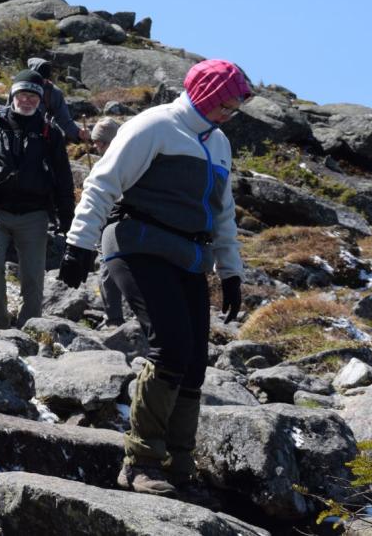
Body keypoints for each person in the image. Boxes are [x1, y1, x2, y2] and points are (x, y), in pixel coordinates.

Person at [57, 59, 251, 499]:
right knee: (169, 350)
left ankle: (179, 465)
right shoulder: (154, 126)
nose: (230, 113)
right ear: (205, 95)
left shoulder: (218, 143)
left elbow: (223, 214)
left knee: (194, 363)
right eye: (226, 104)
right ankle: (140, 463)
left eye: (235, 107)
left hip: (189, 257)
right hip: (138, 244)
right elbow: (102, 184)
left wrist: (231, 271)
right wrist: (78, 245)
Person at [0, 69, 76, 329]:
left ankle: (29, 328)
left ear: (41, 100)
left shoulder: (50, 133)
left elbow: (64, 180)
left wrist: (68, 220)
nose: (27, 100)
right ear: (13, 95)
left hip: (35, 215)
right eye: (22, 94)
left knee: (33, 277)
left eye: (33, 96)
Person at [88, 117, 124, 327]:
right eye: (95, 142)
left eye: (101, 142)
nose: (96, 146)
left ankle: (114, 319)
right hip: (109, 224)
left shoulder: (121, 163)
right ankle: (114, 317)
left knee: (107, 270)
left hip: (116, 224)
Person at [20, 57, 90, 144]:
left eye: (45, 79)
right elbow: (8, 113)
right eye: (40, 78)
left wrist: (78, 133)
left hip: (41, 138)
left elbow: (64, 120)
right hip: (19, 135)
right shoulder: (19, 88)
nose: (43, 82)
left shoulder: (54, 93)